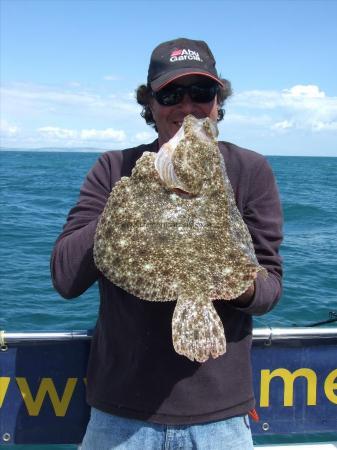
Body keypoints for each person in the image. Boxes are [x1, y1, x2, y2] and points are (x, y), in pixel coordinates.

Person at [51, 38, 283, 450]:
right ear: (150, 104)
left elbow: (269, 290)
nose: (187, 106)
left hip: (222, 417)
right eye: (172, 94)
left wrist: (230, 277)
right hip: (119, 414)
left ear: (218, 102)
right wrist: (127, 200)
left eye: (202, 93)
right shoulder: (115, 169)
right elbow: (66, 279)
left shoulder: (251, 169)